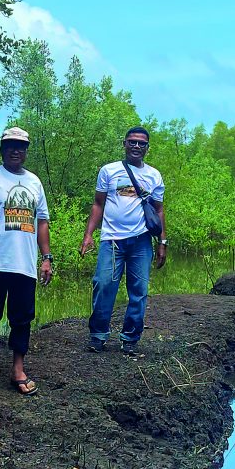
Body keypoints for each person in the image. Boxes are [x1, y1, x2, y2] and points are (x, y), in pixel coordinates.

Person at [0, 127, 52, 397]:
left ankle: (18, 368)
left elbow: (42, 222)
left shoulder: (34, 182)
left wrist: (46, 258)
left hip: (24, 264)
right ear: (2, 149)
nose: (15, 151)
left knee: (22, 318)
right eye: (10, 146)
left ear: (26, 151)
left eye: (21, 146)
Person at [81, 126, 167, 355]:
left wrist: (162, 242)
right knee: (103, 284)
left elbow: (158, 210)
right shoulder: (109, 171)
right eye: (132, 142)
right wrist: (89, 234)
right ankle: (98, 335)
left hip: (141, 241)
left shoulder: (154, 175)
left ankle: (130, 338)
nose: (136, 146)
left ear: (147, 148)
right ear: (125, 144)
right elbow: (98, 204)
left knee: (138, 291)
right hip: (112, 240)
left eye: (141, 143)